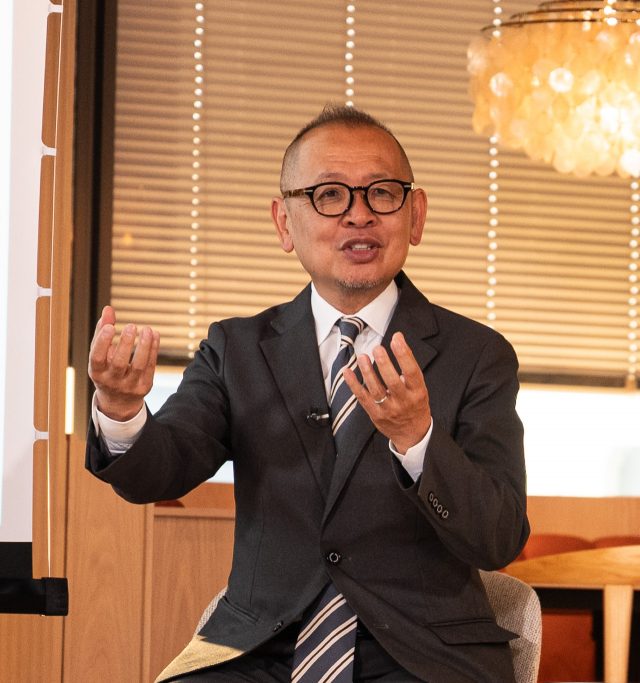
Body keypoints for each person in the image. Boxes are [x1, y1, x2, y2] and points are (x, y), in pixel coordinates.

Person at [86, 105, 529, 682]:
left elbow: (497, 539)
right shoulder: (236, 349)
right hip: (259, 650)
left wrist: (419, 439)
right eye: (329, 195)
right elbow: (159, 474)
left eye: (382, 194)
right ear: (283, 223)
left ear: (415, 216)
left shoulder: (478, 355)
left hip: (420, 657)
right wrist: (121, 411)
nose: (359, 216)